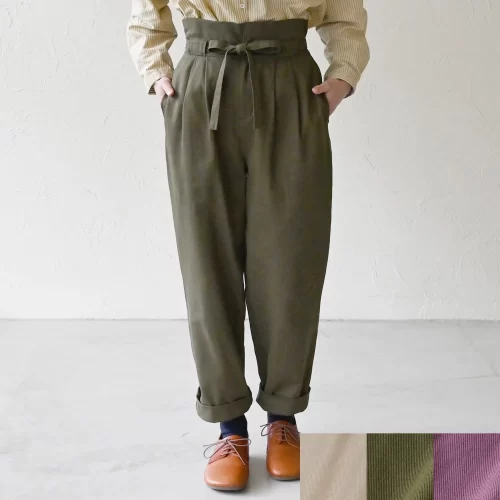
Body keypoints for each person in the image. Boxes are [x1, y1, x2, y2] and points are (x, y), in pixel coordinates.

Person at [126, 0, 369, 492]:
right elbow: (146, 11)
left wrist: (343, 75)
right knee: (206, 261)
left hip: (289, 81)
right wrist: (156, 71)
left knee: (290, 261)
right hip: (201, 83)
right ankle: (228, 427)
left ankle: (283, 416)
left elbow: (344, 11)